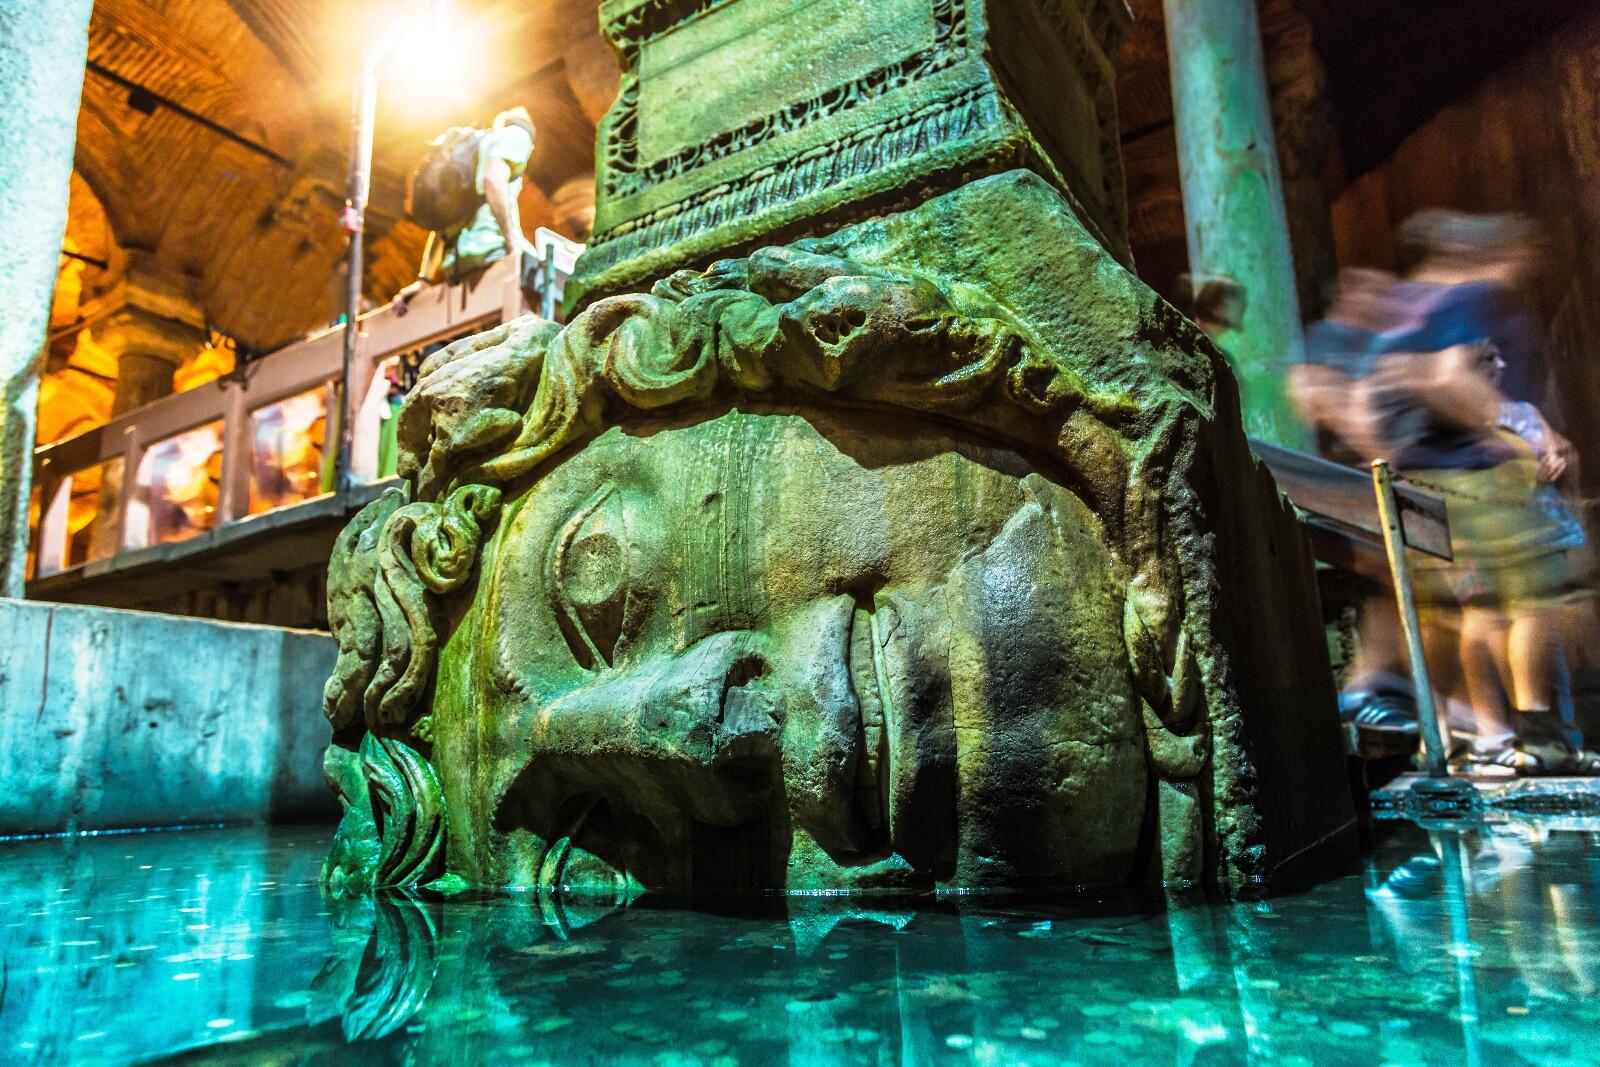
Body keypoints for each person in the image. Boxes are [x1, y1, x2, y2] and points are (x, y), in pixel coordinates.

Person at [394, 106, 537, 305]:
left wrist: (424, 279)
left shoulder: (469, 154)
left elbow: (442, 220)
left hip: (456, 268)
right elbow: (493, 181)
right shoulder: (517, 136)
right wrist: (513, 244)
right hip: (493, 254)